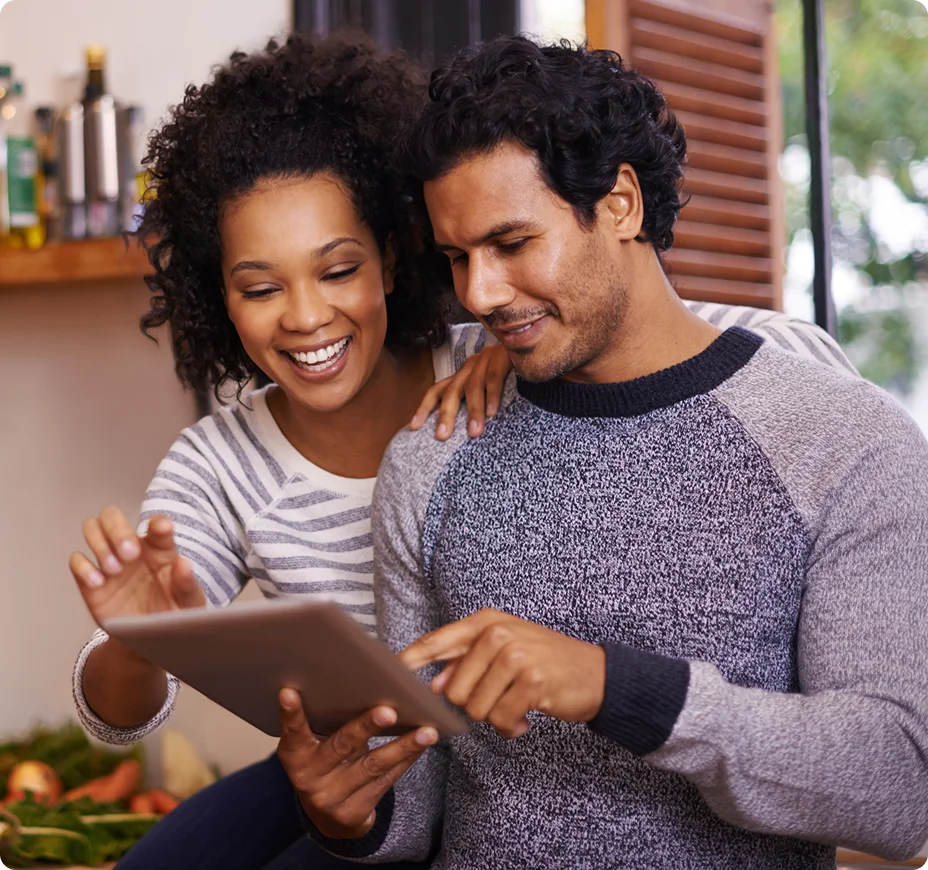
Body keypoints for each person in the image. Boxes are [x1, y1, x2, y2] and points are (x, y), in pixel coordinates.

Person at [277, 37, 928, 868]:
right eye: (457, 258)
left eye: (512, 244)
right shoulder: (433, 457)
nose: (479, 294)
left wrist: (618, 690)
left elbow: (898, 786)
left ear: (620, 203)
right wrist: (348, 814)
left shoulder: (843, 442)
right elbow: (417, 803)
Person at [67, 34, 510, 870]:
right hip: (346, 763)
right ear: (222, 298)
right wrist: (140, 640)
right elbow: (115, 717)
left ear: (389, 258)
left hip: (512, 770)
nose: (305, 318)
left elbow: (715, 339)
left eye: (337, 271)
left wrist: (529, 353)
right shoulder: (219, 463)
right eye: (262, 287)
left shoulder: (495, 366)